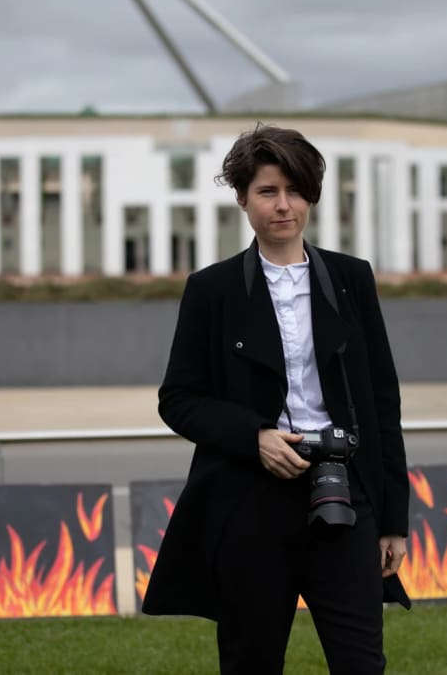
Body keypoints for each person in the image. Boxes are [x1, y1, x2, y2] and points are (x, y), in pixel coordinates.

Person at [142, 124, 410, 674]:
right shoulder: (211, 290)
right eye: (267, 191)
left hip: (343, 491)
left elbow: (383, 400)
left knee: (363, 664)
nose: (283, 205)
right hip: (250, 502)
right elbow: (179, 398)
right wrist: (255, 436)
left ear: (311, 196)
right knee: (251, 661)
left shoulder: (352, 279)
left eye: (295, 190)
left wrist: (392, 520)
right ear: (243, 199)